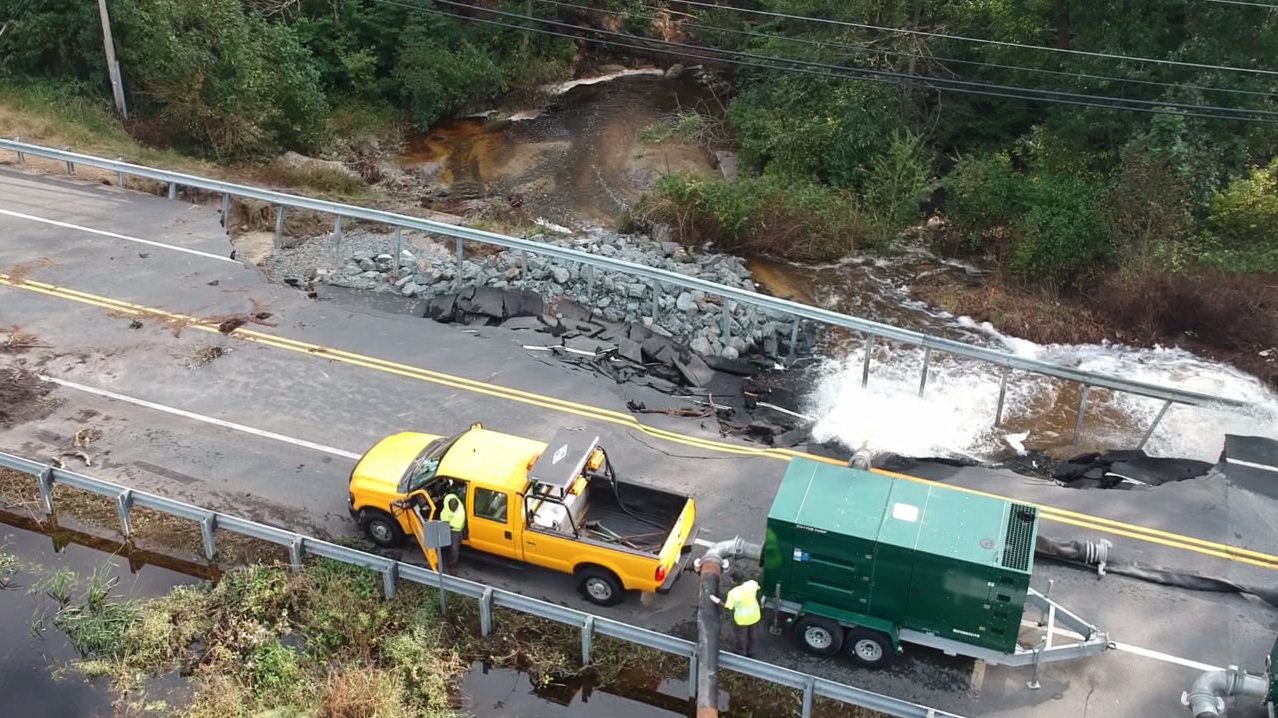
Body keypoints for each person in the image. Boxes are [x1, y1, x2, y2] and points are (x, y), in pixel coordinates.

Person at [711, 573, 762, 657]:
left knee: (742, 636)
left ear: (734, 581)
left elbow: (728, 607)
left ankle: (742, 652)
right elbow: (758, 588)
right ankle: (752, 651)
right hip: (755, 616)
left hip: (742, 619)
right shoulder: (752, 583)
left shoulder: (733, 593)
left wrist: (717, 601)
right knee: (753, 634)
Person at [438, 489, 466, 571]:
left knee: (454, 548)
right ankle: (439, 556)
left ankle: (452, 565)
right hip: (445, 524)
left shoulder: (460, 514)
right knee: (439, 542)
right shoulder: (448, 498)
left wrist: (443, 527)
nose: (452, 510)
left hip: (455, 530)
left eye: (454, 509)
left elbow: (454, 525)